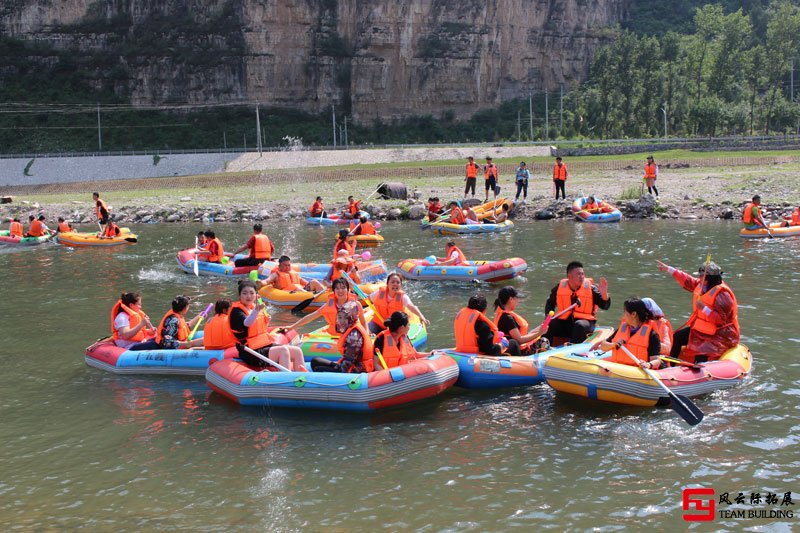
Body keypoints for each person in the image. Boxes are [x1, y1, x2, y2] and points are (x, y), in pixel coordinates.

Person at [656, 260, 740, 363]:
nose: (699, 278)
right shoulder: (701, 285)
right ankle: (670, 365)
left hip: (718, 335)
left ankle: (699, 372)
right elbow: (687, 280)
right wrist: (669, 269)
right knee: (677, 337)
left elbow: (721, 320)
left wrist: (704, 308)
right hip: (700, 330)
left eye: (702, 276)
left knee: (702, 354)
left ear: (710, 279)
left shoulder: (722, 295)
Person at [229, 280, 306, 370]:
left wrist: (266, 321)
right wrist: (256, 311)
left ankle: (302, 377)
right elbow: (246, 323)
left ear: (256, 295)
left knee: (297, 351)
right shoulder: (237, 312)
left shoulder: (255, 308)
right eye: (245, 293)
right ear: (239, 296)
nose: (249, 296)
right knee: (283, 351)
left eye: (251, 293)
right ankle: (286, 380)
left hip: (263, 345)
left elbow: (260, 329)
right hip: (250, 351)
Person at [544, 261, 611, 344]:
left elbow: (605, 306)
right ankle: (544, 346)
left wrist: (604, 295)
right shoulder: (559, 287)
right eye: (578, 274)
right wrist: (549, 317)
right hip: (565, 323)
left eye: (583, 274)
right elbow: (550, 303)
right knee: (549, 323)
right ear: (569, 276)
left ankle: (572, 349)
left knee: (579, 325)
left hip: (585, 323)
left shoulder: (591, 289)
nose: (582, 277)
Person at [591, 297, 661, 368]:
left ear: (633, 314)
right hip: (617, 368)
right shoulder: (623, 328)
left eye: (625, 312)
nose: (623, 316)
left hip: (637, 372)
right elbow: (603, 346)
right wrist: (614, 344)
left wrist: (648, 364)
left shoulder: (652, 335)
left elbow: (656, 360)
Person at [287, 277, 366, 335]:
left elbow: (363, 322)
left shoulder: (356, 305)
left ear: (348, 290)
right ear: (334, 291)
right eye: (337, 288)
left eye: (343, 288)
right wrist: (292, 326)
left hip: (350, 337)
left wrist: (367, 335)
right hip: (333, 336)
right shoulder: (328, 306)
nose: (340, 291)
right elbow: (310, 317)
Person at [310, 301, 374, 373]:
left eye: (346, 318)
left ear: (351, 317)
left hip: (358, 369)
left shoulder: (354, 336)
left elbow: (347, 364)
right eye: (340, 317)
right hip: (350, 364)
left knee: (318, 369)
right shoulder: (351, 326)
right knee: (315, 361)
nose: (341, 321)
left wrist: (336, 369)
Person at [493, 287, 549, 355]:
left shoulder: (501, 313)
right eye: (516, 298)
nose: (518, 301)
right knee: (544, 341)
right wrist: (539, 333)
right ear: (511, 299)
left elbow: (521, 335)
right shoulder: (508, 318)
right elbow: (519, 340)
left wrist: (539, 329)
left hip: (507, 347)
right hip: (517, 351)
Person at [261, 255, 326, 293]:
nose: (287, 267)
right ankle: (310, 296)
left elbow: (304, 282)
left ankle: (325, 294)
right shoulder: (276, 274)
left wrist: (310, 285)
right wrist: (261, 283)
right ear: (280, 265)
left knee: (314, 282)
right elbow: (267, 281)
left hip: (301, 291)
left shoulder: (293, 272)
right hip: (288, 293)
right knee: (297, 288)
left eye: (288, 265)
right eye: (285, 265)